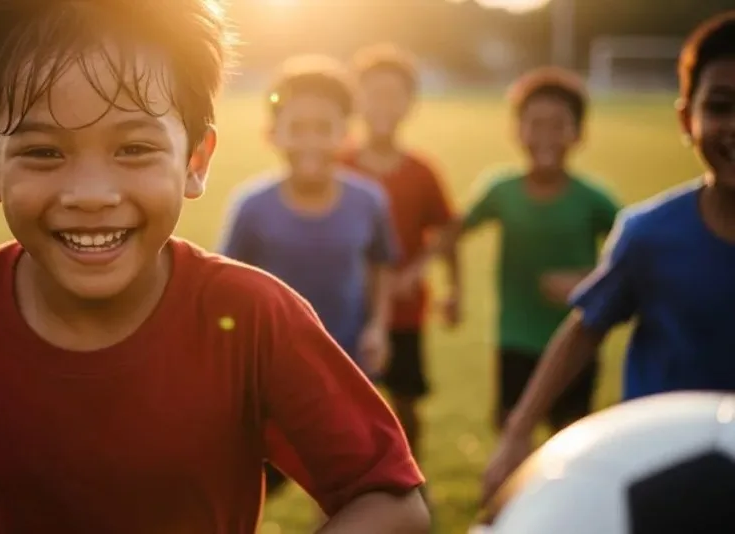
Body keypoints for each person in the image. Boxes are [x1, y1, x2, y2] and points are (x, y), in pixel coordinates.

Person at [0, 1, 431, 533]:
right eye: (45, 153)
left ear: (196, 161)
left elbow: (391, 499)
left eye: (135, 147)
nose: (91, 193)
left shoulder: (257, 319)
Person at [481, 11, 735, 504]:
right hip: (659, 470)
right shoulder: (651, 234)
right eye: (721, 106)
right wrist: (517, 433)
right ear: (687, 118)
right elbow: (584, 329)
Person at [220, 55, 398, 498]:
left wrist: (378, 326)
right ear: (272, 134)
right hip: (270, 377)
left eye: (324, 128)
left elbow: (381, 264)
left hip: (347, 365)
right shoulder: (252, 207)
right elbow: (224, 287)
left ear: (347, 134)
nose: (311, 142)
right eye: (297, 128)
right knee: (251, 489)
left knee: (348, 491)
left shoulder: (369, 201)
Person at [432, 67, 621, 436]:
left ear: (578, 133)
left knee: (570, 437)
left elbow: (634, 260)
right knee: (510, 430)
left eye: (558, 125)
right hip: (515, 338)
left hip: (575, 341)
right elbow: (449, 233)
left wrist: (588, 282)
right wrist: (452, 290)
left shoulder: (593, 200)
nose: (545, 136)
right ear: (516, 130)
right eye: (535, 123)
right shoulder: (501, 191)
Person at [341, 43, 459, 459]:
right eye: (373, 93)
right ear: (356, 100)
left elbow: (446, 230)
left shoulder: (422, 171)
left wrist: (443, 282)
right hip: (347, 308)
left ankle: (412, 477)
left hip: (406, 308)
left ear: (411, 103)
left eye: (394, 94)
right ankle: (350, 491)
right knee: (347, 405)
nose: (382, 104)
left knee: (406, 401)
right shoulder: (339, 165)